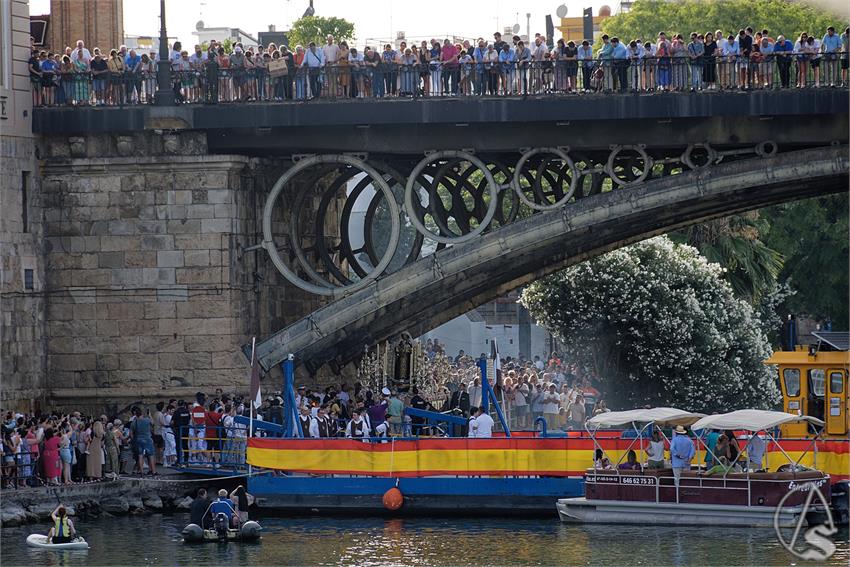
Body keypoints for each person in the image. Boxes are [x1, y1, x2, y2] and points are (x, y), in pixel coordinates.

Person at [129, 407, 156, 476]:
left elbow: (131, 433)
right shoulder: (146, 420)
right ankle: (153, 471)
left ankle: (141, 472)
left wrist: (133, 440)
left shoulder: (134, 422)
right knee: (151, 455)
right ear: (142, 414)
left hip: (138, 440)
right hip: (147, 439)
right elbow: (153, 423)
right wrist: (149, 415)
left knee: (140, 456)